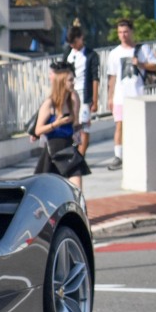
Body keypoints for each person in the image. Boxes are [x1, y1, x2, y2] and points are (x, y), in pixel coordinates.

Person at [105, 18, 156, 170]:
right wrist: (110, 96)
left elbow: (155, 66)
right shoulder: (114, 53)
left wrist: (140, 64)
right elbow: (112, 76)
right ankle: (118, 156)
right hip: (121, 96)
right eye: (120, 32)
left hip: (138, 93)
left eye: (126, 32)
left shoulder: (142, 49)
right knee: (119, 126)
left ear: (131, 32)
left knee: (140, 124)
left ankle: (140, 152)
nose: (123, 35)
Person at [34, 60, 90, 194]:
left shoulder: (71, 101)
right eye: (70, 80)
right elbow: (38, 130)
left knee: (77, 190)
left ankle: (79, 213)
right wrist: (56, 124)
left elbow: (74, 124)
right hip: (53, 151)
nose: (73, 83)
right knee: (48, 193)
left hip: (69, 149)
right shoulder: (49, 104)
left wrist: (79, 127)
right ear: (62, 82)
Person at [62, 25, 99, 161]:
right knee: (72, 125)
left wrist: (94, 100)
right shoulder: (68, 53)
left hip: (84, 95)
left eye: (74, 42)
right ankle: (73, 154)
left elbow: (95, 78)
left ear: (81, 38)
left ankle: (81, 157)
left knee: (84, 126)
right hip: (69, 96)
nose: (73, 45)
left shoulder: (90, 55)